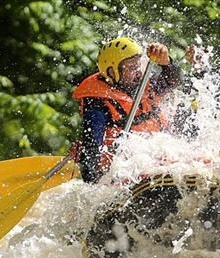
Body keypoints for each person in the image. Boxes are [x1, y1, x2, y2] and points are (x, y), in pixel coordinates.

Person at [72, 36, 182, 183]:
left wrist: (166, 63)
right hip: (125, 169)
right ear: (112, 72)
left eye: (137, 65)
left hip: (163, 153)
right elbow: (92, 149)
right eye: (131, 68)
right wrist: (94, 187)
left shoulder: (143, 82)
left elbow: (174, 80)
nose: (138, 72)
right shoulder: (97, 103)